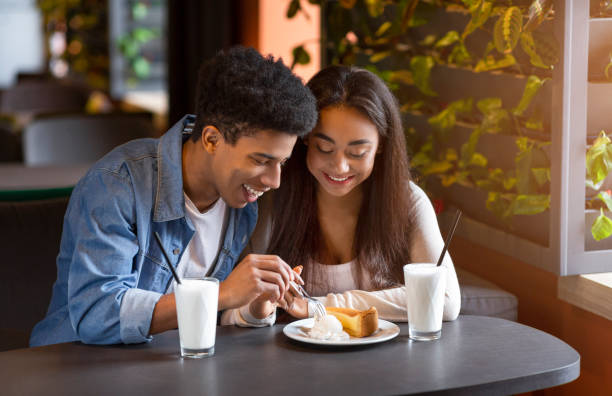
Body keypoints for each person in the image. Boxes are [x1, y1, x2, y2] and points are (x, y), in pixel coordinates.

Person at [29, 46, 317, 346]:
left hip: (169, 370)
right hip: (75, 366)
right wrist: (222, 294)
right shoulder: (117, 184)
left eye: (281, 163)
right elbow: (97, 315)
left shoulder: (242, 203)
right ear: (211, 139)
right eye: (261, 160)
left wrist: (253, 307)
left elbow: (209, 316)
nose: (275, 180)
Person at [237, 65, 461, 322]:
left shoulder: (406, 200)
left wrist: (318, 307)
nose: (340, 167)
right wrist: (256, 311)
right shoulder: (273, 198)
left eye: (357, 153)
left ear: (381, 146)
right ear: (306, 139)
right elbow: (233, 311)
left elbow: (444, 300)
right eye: (324, 148)